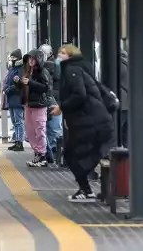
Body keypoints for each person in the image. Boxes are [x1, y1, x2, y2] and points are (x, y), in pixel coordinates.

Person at [50, 44, 114, 202]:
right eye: (59, 52)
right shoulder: (77, 68)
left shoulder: (72, 70)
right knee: (76, 154)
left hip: (92, 123)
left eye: (63, 53)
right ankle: (86, 190)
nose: (59, 56)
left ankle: (86, 190)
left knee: (72, 155)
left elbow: (80, 95)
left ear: (71, 56)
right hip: (92, 121)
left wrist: (61, 108)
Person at [20, 49, 57, 167]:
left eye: (33, 58)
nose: (31, 61)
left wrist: (30, 82)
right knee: (30, 131)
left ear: (38, 60)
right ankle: (38, 153)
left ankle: (42, 154)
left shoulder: (42, 72)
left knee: (39, 129)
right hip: (28, 104)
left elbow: (46, 87)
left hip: (39, 105)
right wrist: (19, 83)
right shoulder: (27, 71)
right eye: (29, 59)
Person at [40, 44, 63, 165]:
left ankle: (52, 151)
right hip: (55, 101)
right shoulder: (56, 67)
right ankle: (52, 151)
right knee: (53, 129)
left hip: (52, 102)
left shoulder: (48, 68)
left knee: (51, 128)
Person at [4, 49, 25, 151]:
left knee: (18, 121)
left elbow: (18, 84)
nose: (11, 60)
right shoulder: (13, 68)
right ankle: (17, 140)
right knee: (14, 121)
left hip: (17, 99)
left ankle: (20, 142)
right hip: (12, 99)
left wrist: (7, 90)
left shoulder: (20, 69)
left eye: (13, 58)